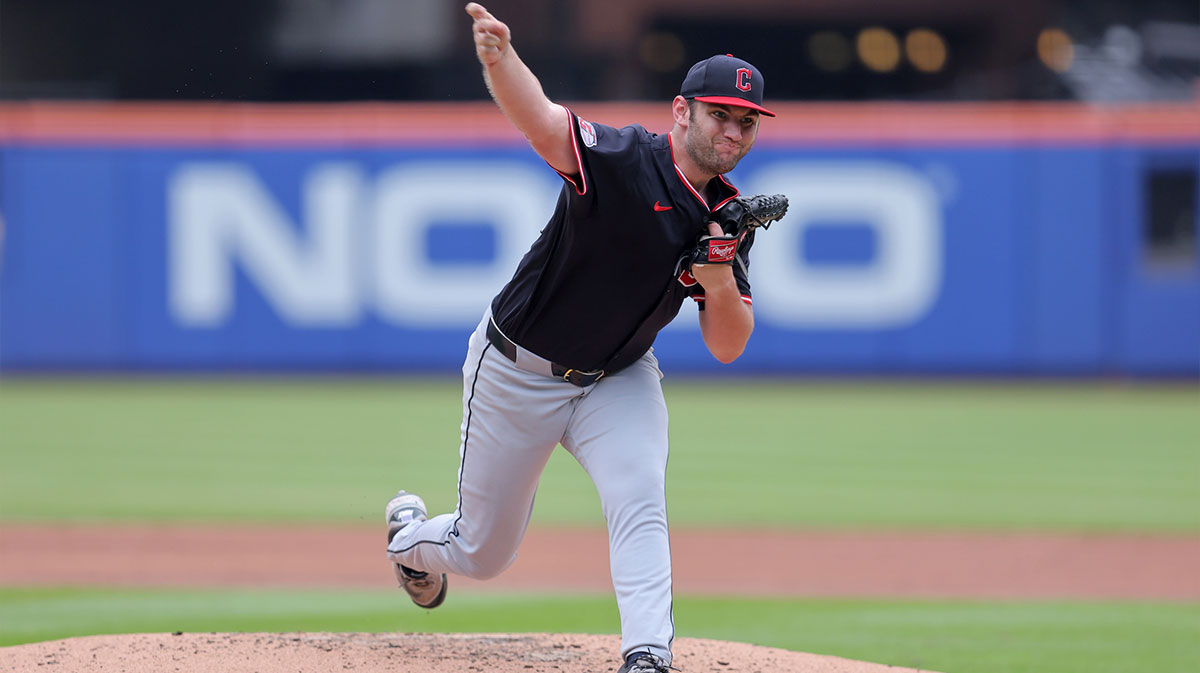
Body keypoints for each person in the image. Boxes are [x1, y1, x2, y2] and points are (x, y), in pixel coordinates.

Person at [385, 4, 775, 672]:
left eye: (745, 121)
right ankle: (407, 539)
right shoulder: (624, 158)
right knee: (484, 551)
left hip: (617, 376)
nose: (733, 130)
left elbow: (728, 343)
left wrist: (714, 276)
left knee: (639, 494)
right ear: (682, 112)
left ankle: (647, 653)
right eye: (720, 114)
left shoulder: (724, 218)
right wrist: (500, 59)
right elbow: (541, 122)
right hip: (518, 367)